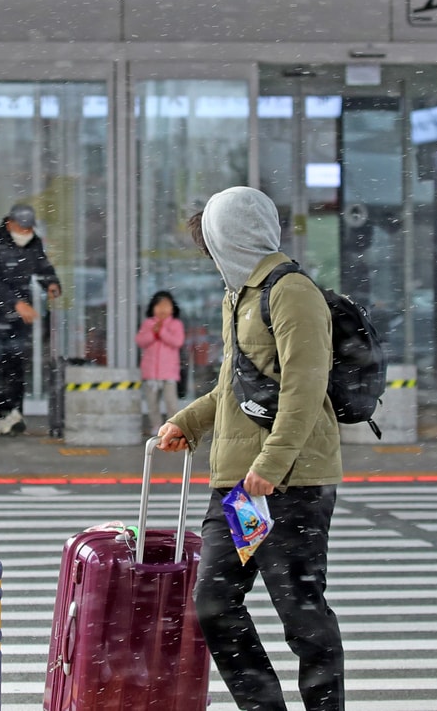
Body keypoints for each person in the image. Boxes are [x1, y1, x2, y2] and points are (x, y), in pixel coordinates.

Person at [159, 188, 345, 711]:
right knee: (215, 604)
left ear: (233, 238)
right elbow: (231, 387)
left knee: (301, 614)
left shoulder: (291, 291)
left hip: (289, 483)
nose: (210, 255)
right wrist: (187, 423)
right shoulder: (238, 294)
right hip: (242, 488)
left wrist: (272, 463)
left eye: (211, 242)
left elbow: (305, 384)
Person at [0, 203, 61, 437]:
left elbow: (42, 265)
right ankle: (4, 414)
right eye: (21, 228)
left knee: (17, 365)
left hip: (19, 316)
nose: (25, 233)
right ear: (9, 223)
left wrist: (51, 282)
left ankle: (15, 414)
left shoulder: (33, 242)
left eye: (29, 228)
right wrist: (15, 303)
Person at [136, 290, 185, 436]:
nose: (162, 309)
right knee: (152, 403)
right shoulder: (148, 323)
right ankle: (156, 426)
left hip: (169, 372)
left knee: (171, 403)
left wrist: (161, 332)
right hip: (150, 373)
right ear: (153, 308)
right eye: (159, 306)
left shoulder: (176, 324)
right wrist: (153, 333)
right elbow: (140, 341)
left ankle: (173, 427)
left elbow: (178, 341)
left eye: (166, 306)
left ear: (172, 308)